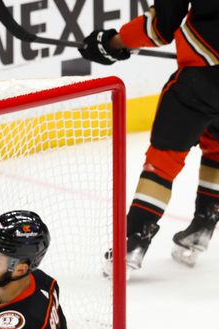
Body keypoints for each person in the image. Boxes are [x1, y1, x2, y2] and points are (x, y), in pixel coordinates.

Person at [79, 1, 219, 271]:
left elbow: (160, 26)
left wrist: (114, 43)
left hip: (203, 76)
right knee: (216, 145)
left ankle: (132, 242)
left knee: (163, 159)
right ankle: (204, 224)